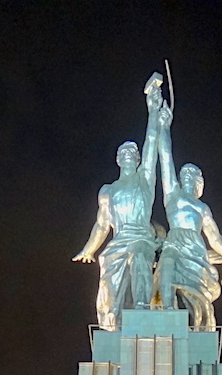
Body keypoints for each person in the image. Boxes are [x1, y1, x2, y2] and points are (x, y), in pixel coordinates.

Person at [73, 75, 165, 330]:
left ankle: (143, 312)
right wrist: (89, 249)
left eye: (132, 154)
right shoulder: (108, 190)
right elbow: (102, 225)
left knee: (138, 259)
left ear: (137, 160)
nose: (128, 155)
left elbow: (151, 145)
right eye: (123, 153)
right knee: (108, 284)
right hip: (117, 242)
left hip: (140, 240)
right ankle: (111, 324)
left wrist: (152, 112)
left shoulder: (144, 180)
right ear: (117, 159)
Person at [154, 102, 222, 330]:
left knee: (196, 293)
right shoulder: (172, 195)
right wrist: (163, 127)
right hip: (175, 241)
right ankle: (167, 312)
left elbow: (215, 239)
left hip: (195, 249)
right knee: (165, 265)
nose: (187, 177)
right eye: (185, 174)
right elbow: (165, 158)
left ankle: (195, 323)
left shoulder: (202, 208)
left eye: (192, 175)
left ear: (198, 184)